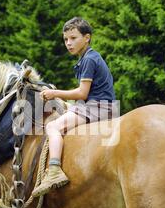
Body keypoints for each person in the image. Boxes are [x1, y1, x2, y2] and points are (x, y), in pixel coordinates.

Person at [31, 17, 116, 197]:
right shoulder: (87, 58)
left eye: (73, 38)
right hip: (96, 105)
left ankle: (54, 170)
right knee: (62, 109)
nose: (69, 43)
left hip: (97, 107)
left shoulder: (89, 60)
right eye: (66, 39)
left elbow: (82, 93)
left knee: (53, 126)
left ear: (87, 38)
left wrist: (55, 94)